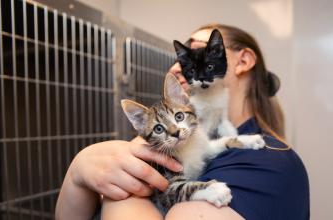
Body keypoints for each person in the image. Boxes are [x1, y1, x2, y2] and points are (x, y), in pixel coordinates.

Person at [55, 24, 310, 220]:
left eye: (193, 51)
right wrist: (78, 173)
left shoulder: (266, 160)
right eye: (179, 56)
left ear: (242, 61)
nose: (178, 66)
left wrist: (124, 193)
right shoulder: (184, 143)